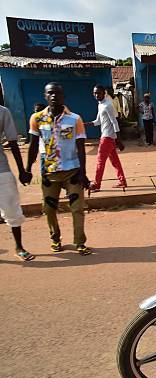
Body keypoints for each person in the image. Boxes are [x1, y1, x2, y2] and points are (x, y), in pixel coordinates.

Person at [25, 82, 92, 255]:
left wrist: (83, 173)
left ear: (63, 97)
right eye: (50, 93)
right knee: (48, 209)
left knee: (77, 208)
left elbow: (81, 147)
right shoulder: (37, 118)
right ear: (45, 96)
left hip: (73, 171)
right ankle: (55, 238)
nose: (54, 96)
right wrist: (27, 169)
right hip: (49, 173)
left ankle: (79, 242)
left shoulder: (75, 119)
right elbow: (33, 146)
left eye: (57, 93)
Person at [0, 105, 35, 261]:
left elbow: (13, 143)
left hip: (1, 169)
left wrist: (22, 171)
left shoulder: (3, 112)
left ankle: (19, 247)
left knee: (12, 208)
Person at [85, 84, 127, 191]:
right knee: (115, 161)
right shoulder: (101, 105)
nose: (96, 95)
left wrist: (119, 140)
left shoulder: (108, 105)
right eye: (94, 93)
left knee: (100, 161)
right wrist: (85, 124)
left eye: (98, 93)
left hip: (107, 138)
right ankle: (122, 181)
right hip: (108, 137)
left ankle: (97, 184)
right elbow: (98, 121)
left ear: (104, 93)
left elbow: (114, 122)